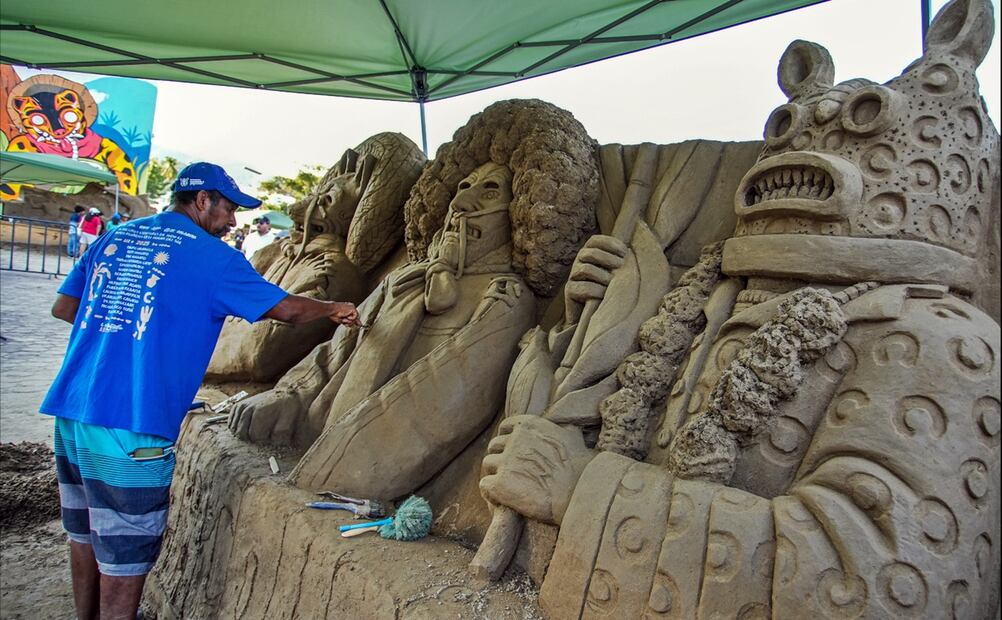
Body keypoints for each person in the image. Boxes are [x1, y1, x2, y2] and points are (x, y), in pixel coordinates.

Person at [40, 162, 360, 620]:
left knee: (87, 534)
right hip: (132, 423)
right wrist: (335, 307)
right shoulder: (213, 258)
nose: (232, 221)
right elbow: (287, 310)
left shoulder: (117, 237)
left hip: (72, 408)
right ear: (202, 200)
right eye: (228, 208)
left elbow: (64, 306)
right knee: (125, 553)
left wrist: (127, 333)